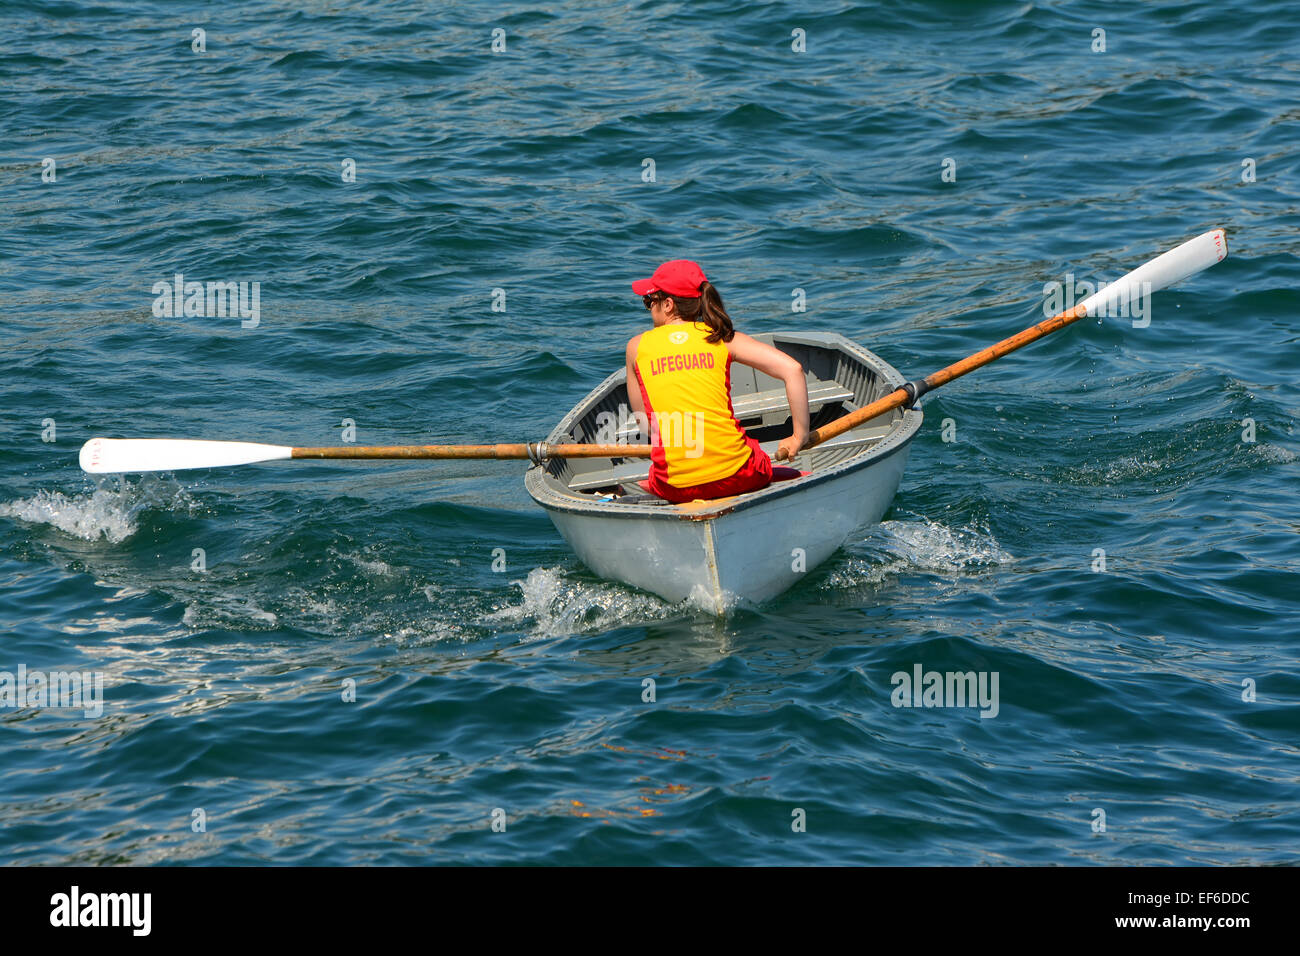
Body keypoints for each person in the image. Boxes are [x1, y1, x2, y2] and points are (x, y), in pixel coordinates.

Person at [623, 259, 810, 503]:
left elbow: (647, 427)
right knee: (755, 458)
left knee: (655, 474)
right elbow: (793, 370)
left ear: (668, 305)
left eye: (649, 301)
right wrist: (799, 437)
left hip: (675, 486)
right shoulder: (720, 338)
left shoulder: (636, 348)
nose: (649, 308)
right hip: (738, 475)